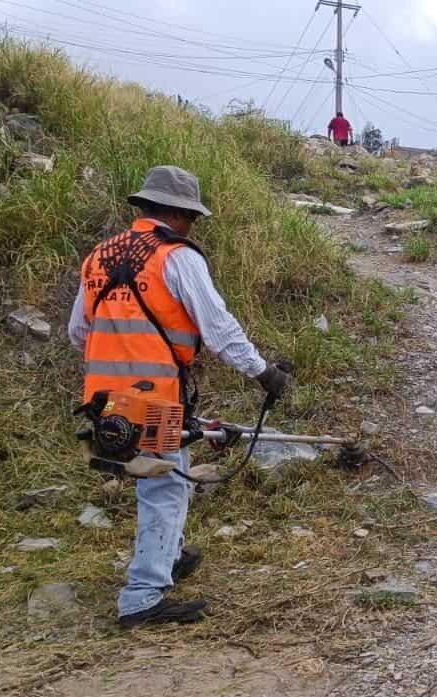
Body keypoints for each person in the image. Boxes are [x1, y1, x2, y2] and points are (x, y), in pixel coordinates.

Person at [68, 165, 292, 628]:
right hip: (154, 394)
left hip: (106, 400)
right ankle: (142, 597)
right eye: (191, 216)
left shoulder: (98, 256)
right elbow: (219, 329)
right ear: (176, 212)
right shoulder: (176, 257)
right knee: (165, 487)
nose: (193, 224)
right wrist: (263, 372)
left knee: (163, 475)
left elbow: (78, 332)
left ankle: (166, 556)